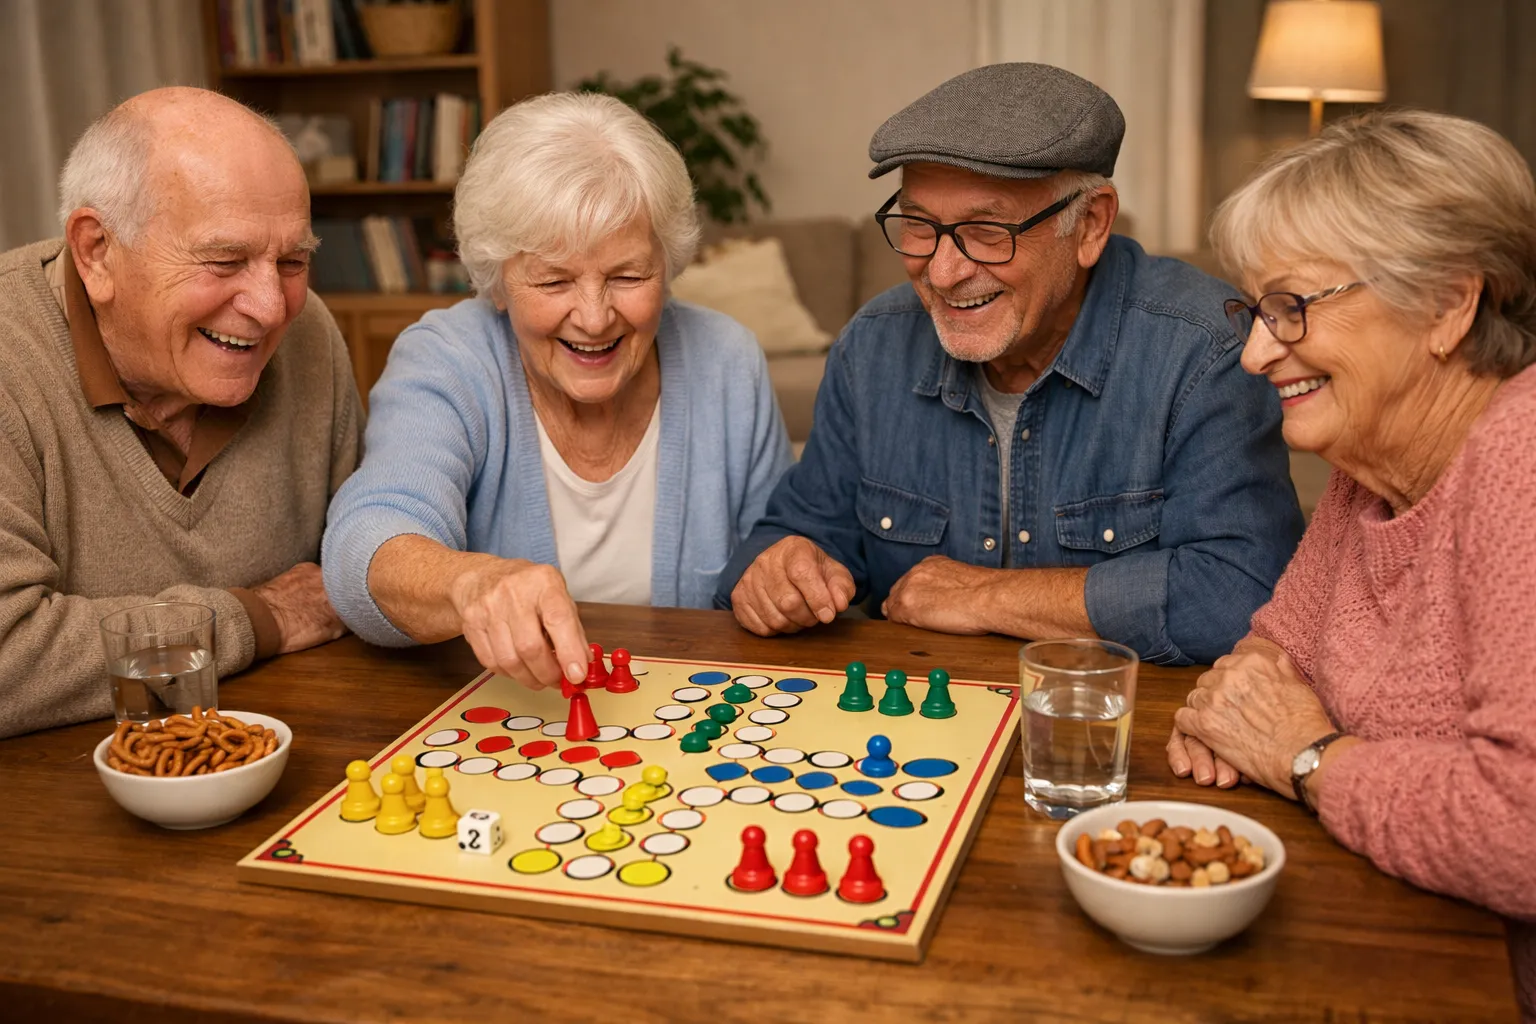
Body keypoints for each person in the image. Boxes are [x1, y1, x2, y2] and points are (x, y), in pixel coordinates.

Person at [716, 64, 1303, 664]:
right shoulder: (872, 346)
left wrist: (986, 597)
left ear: (1091, 224)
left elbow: (1241, 593)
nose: (943, 273)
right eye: (919, 226)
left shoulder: (1204, 350)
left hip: (1112, 727)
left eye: (987, 231)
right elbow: (803, 529)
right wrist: (778, 569)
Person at [1164, 111, 1536, 1004]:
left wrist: (1304, 755)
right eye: (1255, 310)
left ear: (1448, 303)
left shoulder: (1521, 457)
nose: (1256, 352)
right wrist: (1244, 700)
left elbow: (1519, 830)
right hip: (1383, 943)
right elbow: (1275, 643)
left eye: (1291, 306)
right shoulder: (1372, 463)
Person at [322, 92, 792, 690]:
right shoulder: (447, 358)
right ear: (497, 282)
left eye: (628, 276)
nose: (594, 318)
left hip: (687, 720)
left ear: (668, 267)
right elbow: (366, 543)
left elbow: (774, 548)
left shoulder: (727, 360)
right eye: (553, 280)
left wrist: (787, 573)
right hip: (507, 724)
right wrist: (470, 583)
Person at [0, 88, 362, 738]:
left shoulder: (311, 339)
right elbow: (9, 657)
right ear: (96, 251)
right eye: (224, 261)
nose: (271, 307)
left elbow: (354, 576)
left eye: (292, 261)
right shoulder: (10, 354)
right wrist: (258, 620)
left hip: (297, 766)